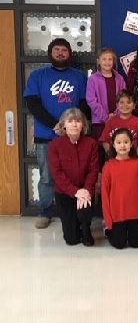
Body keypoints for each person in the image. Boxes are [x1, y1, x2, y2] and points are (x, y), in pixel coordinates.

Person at [23, 37, 88, 229]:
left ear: (69, 54)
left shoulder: (79, 76)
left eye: (64, 50)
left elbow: (84, 103)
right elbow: (32, 104)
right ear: (50, 53)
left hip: (74, 135)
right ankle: (45, 212)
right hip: (46, 135)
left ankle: (74, 210)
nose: (60, 53)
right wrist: (56, 125)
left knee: (75, 175)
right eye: (57, 50)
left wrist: (69, 126)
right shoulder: (37, 75)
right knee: (46, 176)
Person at [48, 108, 99, 246]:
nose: (74, 124)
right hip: (65, 193)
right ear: (64, 125)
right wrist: (75, 191)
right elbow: (57, 173)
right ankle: (76, 227)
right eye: (70, 121)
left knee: (84, 215)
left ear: (83, 125)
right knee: (72, 240)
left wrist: (86, 190)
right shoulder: (54, 145)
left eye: (78, 121)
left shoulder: (92, 144)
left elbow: (93, 170)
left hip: (85, 191)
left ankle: (85, 226)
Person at [101, 128, 138, 249]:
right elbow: (105, 193)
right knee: (119, 244)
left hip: (136, 211)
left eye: (126, 142)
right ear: (113, 145)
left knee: (136, 243)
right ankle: (106, 230)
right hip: (117, 212)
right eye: (119, 142)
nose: (122, 145)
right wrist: (108, 218)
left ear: (131, 143)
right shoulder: (108, 165)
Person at [86, 48, 127, 167]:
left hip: (117, 121)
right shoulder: (93, 79)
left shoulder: (119, 78)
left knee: (116, 151)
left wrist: (115, 115)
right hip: (99, 122)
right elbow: (91, 100)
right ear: (98, 61)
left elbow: (124, 98)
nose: (107, 62)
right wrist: (105, 117)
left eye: (110, 59)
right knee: (100, 154)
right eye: (104, 59)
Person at [99, 89, 138, 158]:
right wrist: (112, 157)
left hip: (133, 160)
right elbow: (105, 141)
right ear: (117, 105)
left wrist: (134, 157)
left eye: (129, 102)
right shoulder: (111, 122)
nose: (125, 105)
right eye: (122, 102)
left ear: (134, 105)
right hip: (115, 160)